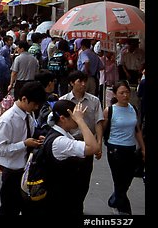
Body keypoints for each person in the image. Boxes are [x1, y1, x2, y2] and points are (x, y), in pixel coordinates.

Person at [36, 100, 101, 215]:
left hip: (64, 198)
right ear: (62, 118)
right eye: (74, 117)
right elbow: (93, 147)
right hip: (60, 201)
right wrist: (80, 121)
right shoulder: (59, 141)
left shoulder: (62, 134)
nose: (77, 120)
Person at [0, 81, 47, 215]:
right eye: (34, 104)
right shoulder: (7, 120)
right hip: (12, 173)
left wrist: (37, 137)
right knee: (9, 209)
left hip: (27, 171)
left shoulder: (28, 114)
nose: (36, 108)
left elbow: (29, 132)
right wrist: (24, 144)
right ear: (24, 99)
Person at [59, 70, 104, 214]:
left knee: (84, 179)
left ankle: (78, 205)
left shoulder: (94, 101)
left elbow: (98, 122)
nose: (83, 84)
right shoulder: (63, 100)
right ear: (72, 83)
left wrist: (99, 143)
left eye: (85, 81)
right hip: (69, 143)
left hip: (87, 144)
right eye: (80, 81)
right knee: (68, 178)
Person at [103, 81, 145, 215]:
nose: (125, 95)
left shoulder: (133, 108)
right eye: (122, 93)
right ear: (115, 94)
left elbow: (137, 129)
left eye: (127, 92)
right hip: (115, 149)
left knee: (127, 180)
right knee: (119, 181)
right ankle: (124, 211)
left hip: (131, 149)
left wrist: (143, 148)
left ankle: (114, 200)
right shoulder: (110, 110)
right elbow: (103, 129)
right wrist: (99, 144)